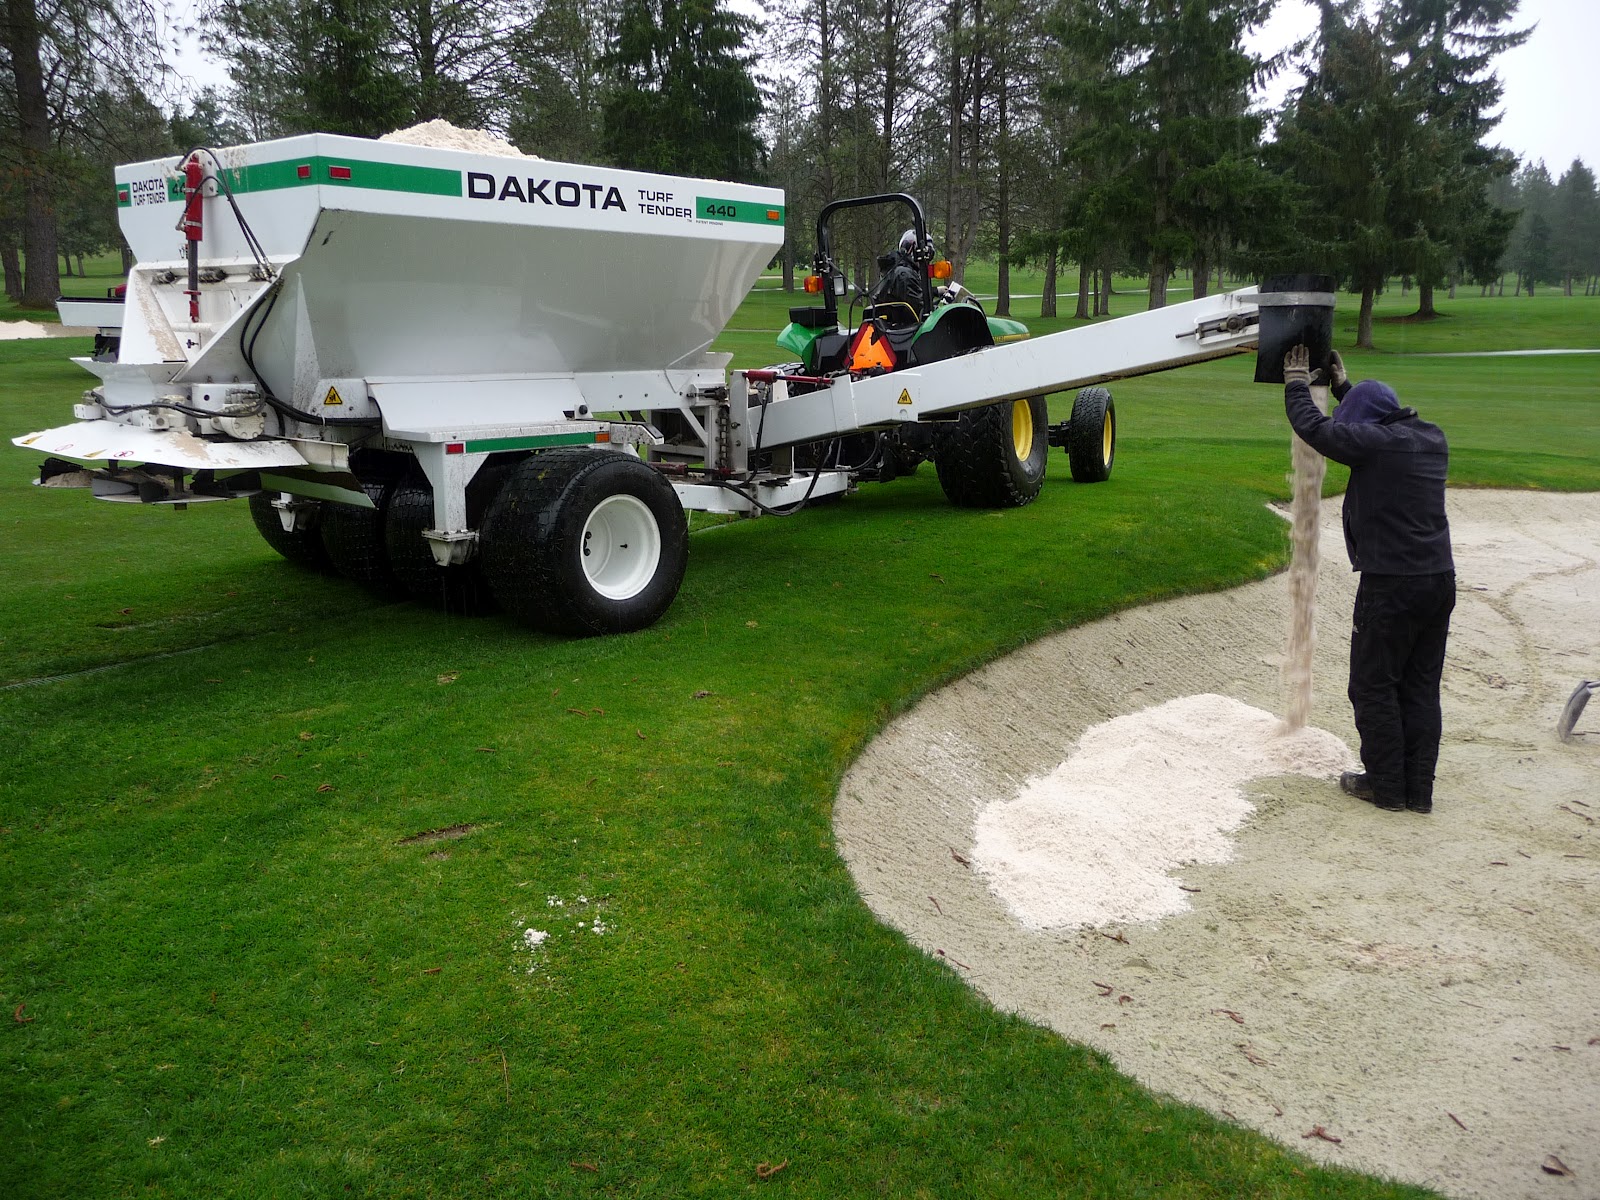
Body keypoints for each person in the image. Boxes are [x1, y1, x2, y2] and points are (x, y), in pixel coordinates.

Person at [1282, 344, 1455, 814]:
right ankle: (1417, 792)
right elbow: (1370, 419)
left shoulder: (1375, 445)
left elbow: (1316, 429)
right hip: (1439, 581)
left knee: (1373, 686)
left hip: (1391, 585)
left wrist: (1297, 383)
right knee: (1419, 687)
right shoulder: (1429, 436)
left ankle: (1384, 786)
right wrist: (1345, 388)